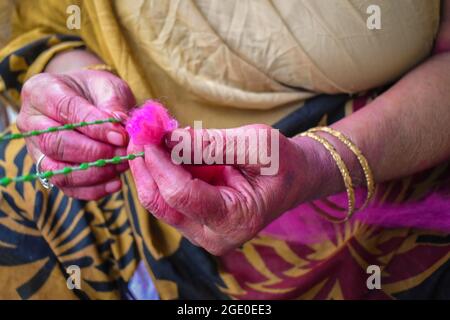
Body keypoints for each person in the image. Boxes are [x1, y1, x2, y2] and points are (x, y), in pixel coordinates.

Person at [0, 0, 449, 299]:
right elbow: (49, 28)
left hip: (388, 172)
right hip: (130, 200)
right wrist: (76, 92)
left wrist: (323, 162)